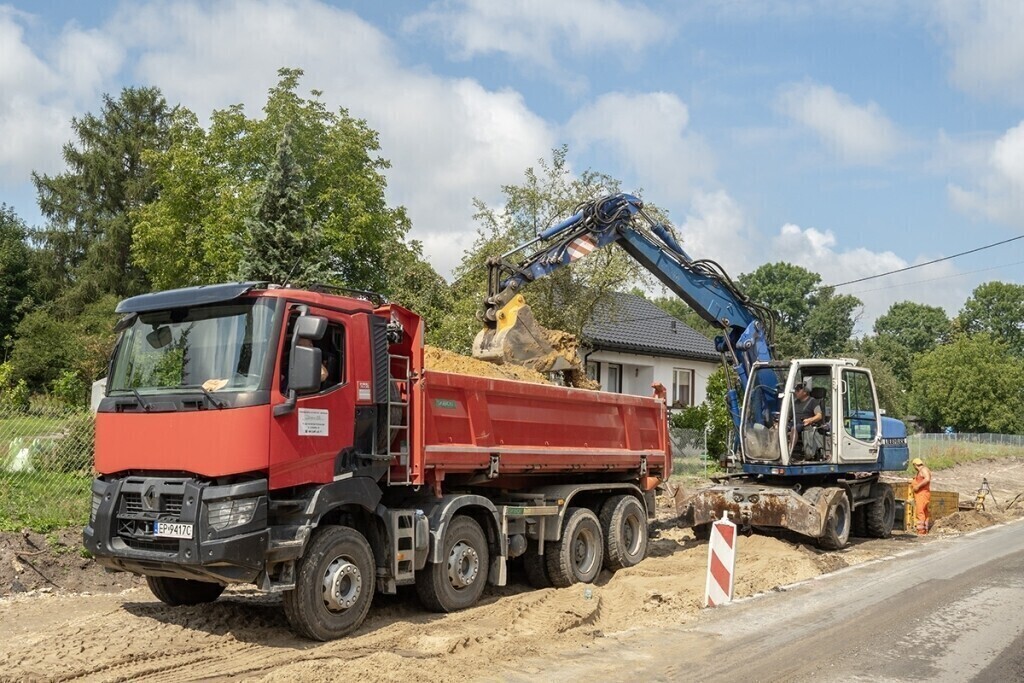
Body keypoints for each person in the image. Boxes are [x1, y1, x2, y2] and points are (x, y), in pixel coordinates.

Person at [791, 384, 823, 458]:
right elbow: (789, 416)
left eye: (798, 390)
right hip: (793, 422)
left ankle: (789, 451)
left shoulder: (813, 401)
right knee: (778, 428)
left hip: (804, 424)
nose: (795, 392)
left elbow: (819, 416)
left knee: (794, 428)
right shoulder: (795, 402)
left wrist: (810, 420)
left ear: (805, 392)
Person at [911, 457, 932, 535]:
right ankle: (925, 529)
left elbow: (927, 479)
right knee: (924, 511)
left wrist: (918, 486)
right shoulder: (922, 470)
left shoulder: (923, 470)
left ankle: (921, 531)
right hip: (922, 494)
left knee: (920, 512)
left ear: (915, 465)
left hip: (922, 494)